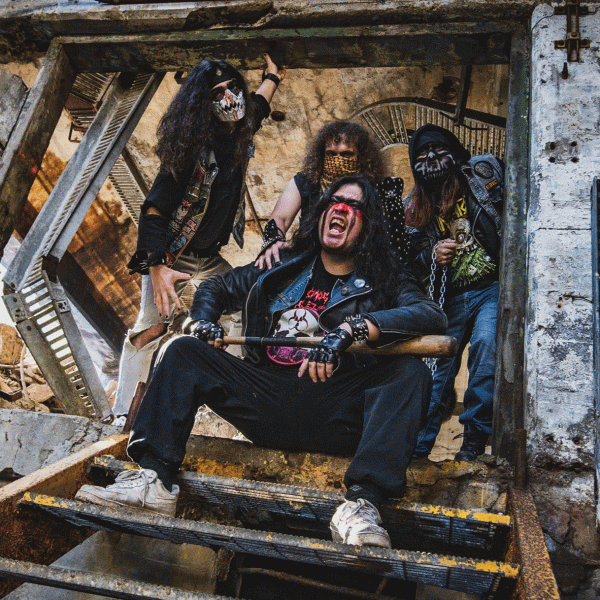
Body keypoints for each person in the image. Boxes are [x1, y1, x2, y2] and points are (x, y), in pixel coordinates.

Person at [77, 175, 447, 548]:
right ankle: (153, 480)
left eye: (355, 206)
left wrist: (353, 329)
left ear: (369, 226)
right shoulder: (282, 263)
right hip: (265, 398)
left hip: (333, 409)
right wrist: (202, 321)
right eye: (333, 202)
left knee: (410, 372)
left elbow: (430, 314)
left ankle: (361, 506)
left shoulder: (386, 278)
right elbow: (215, 287)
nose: (341, 209)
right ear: (320, 214)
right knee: (182, 349)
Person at [111, 55, 286, 427]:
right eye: (217, 94)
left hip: (209, 257)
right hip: (172, 255)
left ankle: (233, 403)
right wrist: (157, 267)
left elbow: (257, 106)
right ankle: (122, 414)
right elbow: (154, 209)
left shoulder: (241, 128)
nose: (229, 98)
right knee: (152, 328)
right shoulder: (191, 150)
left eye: (232, 88)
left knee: (247, 308)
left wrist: (272, 76)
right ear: (203, 105)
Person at [404, 124, 503, 461]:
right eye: (421, 155)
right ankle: (418, 449)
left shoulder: (480, 174)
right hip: (448, 299)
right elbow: (410, 264)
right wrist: (432, 254)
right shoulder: (413, 206)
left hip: (491, 287)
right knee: (437, 371)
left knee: (486, 352)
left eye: (438, 149)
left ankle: (473, 443)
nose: (431, 158)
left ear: (454, 152)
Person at [256, 121, 409, 269]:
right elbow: (281, 217)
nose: (338, 160)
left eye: (346, 154)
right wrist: (273, 241)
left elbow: (394, 244)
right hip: (309, 264)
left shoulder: (381, 189)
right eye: (331, 154)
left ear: (361, 157)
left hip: (360, 269)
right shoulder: (305, 183)